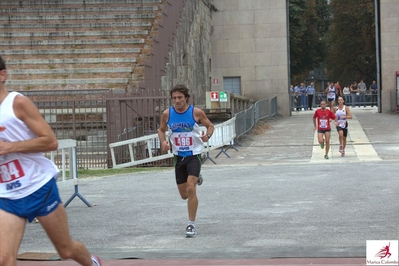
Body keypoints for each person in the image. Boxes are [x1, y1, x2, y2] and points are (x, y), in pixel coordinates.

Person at [0, 55, 102, 266]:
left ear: (2, 75)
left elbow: (50, 141)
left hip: (38, 186)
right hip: (7, 193)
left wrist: (10, 147)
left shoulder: (17, 103)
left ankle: (92, 263)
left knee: (65, 250)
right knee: (4, 259)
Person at [158, 84, 214, 237]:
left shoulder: (196, 112)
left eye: (180, 98)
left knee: (191, 188)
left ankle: (191, 225)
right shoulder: (167, 114)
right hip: (178, 157)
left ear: (186, 98)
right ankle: (197, 178)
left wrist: (207, 136)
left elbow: (210, 126)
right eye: (174, 98)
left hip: (194, 155)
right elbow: (161, 130)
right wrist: (163, 141)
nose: (177, 101)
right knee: (184, 195)